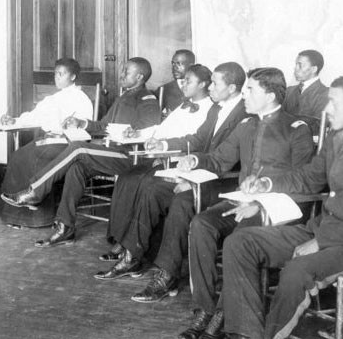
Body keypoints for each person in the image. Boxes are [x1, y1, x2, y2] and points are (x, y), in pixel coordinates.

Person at [217, 74, 343, 339]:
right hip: (323, 230)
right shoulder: (337, 138)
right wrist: (266, 183)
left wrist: (321, 241)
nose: (327, 109)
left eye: (334, 102)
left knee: (298, 271)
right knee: (240, 242)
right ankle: (245, 333)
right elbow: (309, 178)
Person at [177, 68, 316, 339]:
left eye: (250, 90)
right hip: (241, 202)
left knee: (240, 237)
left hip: (276, 210)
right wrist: (196, 160)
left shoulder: (296, 129)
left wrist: (263, 205)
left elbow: (303, 181)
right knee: (201, 223)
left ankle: (222, 314)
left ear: (272, 94)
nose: (244, 96)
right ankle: (204, 309)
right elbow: (219, 160)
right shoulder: (246, 125)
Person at [95, 62, 247, 282]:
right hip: (201, 172)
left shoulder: (245, 113)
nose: (211, 88)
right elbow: (197, 139)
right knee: (152, 188)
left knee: (179, 202)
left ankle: (167, 275)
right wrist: (163, 146)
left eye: (215, 83)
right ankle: (132, 256)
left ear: (231, 88)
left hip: (223, 181)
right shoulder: (216, 108)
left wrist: (194, 174)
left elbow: (228, 159)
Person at [0, 57, 161, 247]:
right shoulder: (123, 97)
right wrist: (82, 123)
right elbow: (103, 126)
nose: (122, 74)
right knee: (77, 167)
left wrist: (134, 132)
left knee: (78, 148)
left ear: (140, 76)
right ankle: (65, 227)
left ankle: (35, 191)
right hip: (110, 152)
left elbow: (153, 129)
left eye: (127, 71)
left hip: (130, 156)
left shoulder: (147, 99)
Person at [0, 58, 95, 226]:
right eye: (55, 74)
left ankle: (38, 219)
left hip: (68, 143)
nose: (57, 77)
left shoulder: (81, 98)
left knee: (36, 158)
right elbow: (33, 116)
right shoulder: (52, 98)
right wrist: (14, 121)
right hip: (48, 140)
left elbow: (84, 129)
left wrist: (66, 128)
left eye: (61, 74)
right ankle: (14, 217)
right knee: (18, 156)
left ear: (72, 77)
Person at [282, 49, 329, 133]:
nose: (295, 68)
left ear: (314, 69)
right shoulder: (289, 90)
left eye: (300, 65)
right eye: (296, 64)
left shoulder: (326, 93)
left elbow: (319, 126)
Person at [158, 49, 196, 115]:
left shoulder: (200, 87)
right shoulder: (164, 89)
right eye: (173, 63)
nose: (174, 67)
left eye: (179, 63)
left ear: (191, 66)